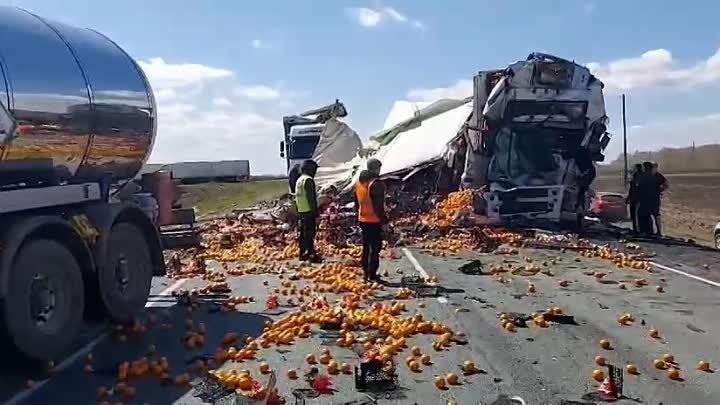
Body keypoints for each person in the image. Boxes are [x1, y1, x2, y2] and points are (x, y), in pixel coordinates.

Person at [354, 158, 387, 282]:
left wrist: (358, 215)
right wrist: (384, 221)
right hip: (374, 220)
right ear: (375, 169)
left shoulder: (359, 183)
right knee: (375, 247)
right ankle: (372, 274)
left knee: (366, 246)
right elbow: (378, 206)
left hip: (363, 219)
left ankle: (366, 272)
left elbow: (356, 202)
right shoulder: (375, 184)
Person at [295, 160, 321, 262]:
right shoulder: (308, 180)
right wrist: (315, 211)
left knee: (303, 233)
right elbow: (311, 198)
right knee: (310, 233)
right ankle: (311, 254)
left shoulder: (299, 180)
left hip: (301, 210)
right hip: (309, 211)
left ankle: (302, 253)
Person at [650, 162, 668, 236]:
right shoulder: (648, 175)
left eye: (655, 167)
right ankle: (651, 230)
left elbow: (666, 184)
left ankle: (658, 231)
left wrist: (660, 190)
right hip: (647, 197)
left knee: (656, 214)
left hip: (655, 198)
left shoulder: (658, 176)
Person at [626, 163, 643, 233]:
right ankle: (637, 229)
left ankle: (637, 230)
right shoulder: (636, 176)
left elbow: (633, 189)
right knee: (636, 215)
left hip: (636, 199)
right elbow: (631, 189)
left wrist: (628, 198)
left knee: (635, 215)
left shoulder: (637, 176)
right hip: (635, 199)